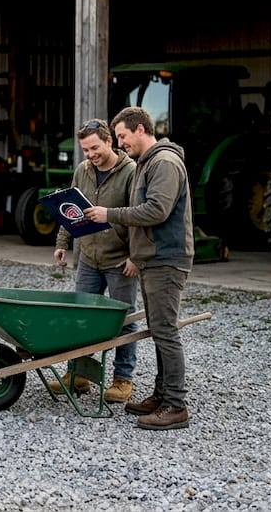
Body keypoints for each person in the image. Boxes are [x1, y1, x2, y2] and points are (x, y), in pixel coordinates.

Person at [84, 106, 194, 431]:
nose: (119, 144)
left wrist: (110, 215)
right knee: (160, 330)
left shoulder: (164, 163)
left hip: (166, 259)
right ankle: (162, 396)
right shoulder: (149, 163)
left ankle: (176, 404)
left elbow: (157, 210)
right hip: (152, 258)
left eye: (122, 136)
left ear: (141, 130)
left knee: (166, 331)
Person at [48, 119, 137, 403]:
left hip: (119, 259)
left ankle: (122, 379)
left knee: (123, 320)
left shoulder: (131, 173)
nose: (90, 155)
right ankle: (79, 375)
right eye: (85, 150)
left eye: (94, 148)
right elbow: (69, 208)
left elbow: (140, 217)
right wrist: (63, 243)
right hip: (88, 257)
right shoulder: (82, 171)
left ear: (109, 141)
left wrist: (136, 255)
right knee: (82, 317)